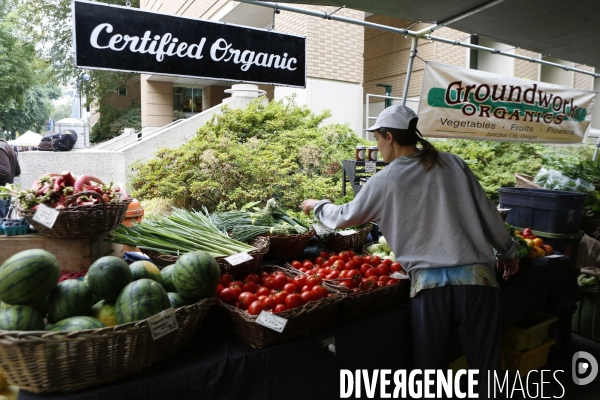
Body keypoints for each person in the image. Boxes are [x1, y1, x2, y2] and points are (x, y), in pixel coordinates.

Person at [301, 105, 519, 397]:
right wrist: (507, 253)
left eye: (377, 138)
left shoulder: (386, 178)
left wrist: (318, 206)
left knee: (430, 378)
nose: (376, 146)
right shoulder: (454, 163)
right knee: (487, 374)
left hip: (430, 290)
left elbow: (344, 217)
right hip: (478, 282)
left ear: (389, 137)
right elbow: (489, 214)